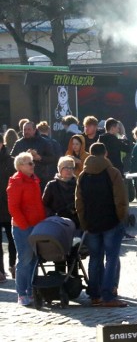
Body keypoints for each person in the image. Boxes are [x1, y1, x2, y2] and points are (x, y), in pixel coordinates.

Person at [75, 142, 128, 307]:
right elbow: (121, 199)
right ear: (105, 154)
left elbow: (79, 203)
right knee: (111, 259)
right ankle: (108, 295)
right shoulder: (112, 172)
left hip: (91, 223)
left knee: (95, 259)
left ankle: (94, 294)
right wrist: (121, 218)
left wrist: (84, 222)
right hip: (111, 221)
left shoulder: (83, 175)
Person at [7, 152, 47, 305]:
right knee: (25, 259)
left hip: (36, 226)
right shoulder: (16, 181)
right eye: (29, 163)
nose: (33, 165)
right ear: (20, 166)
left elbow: (37, 204)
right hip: (23, 227)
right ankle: (22, 292)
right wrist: (24, 225)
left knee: (34, 259)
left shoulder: (34, 180)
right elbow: (13, 207)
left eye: (32, 162)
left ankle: (32, 290)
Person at [10, 121, 56, 191]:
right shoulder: (18, 143)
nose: (26, 132)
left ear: (34, 130)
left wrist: (39, 158)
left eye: (29, 129)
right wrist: (23, 157)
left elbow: (52, 158)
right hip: (23, 179)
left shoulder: (44, 142)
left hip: (40, 179)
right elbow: (11, 159)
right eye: (24, 130)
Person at [42, 156, 80, 229]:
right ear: (60, 169)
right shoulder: (52, 185)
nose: (69, 170)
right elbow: (44, 205)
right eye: (66, 168)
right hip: (57, 224)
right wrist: (53, 216)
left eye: (71, 168)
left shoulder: (78, 184)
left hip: (76, 223)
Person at [0, 134, 16, 282]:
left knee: (12, 239)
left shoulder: (10, 161)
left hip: (9, 204)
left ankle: (13, 265)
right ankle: (0, 271)